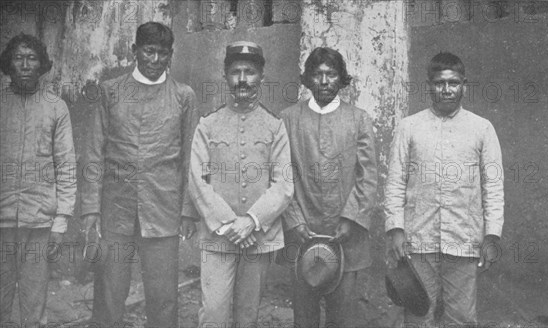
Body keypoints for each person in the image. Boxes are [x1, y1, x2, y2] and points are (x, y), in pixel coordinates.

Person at [80, 22, 200, 328]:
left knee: (163, 297)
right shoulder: (110, 92)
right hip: (115, 208)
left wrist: (187, 209)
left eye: (163, 53)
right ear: (135, 51)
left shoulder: (183, 96)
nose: (155, 60)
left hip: (163, 209)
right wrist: (92, 208)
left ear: (171, 55)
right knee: (109, 292)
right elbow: (94, 153)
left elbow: (190, 158)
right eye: (149, 51)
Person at [384, 52, 504, 327]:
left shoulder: (482, 129)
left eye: (453, 83)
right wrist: (396, 229)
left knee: (461, 318)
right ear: (429, 85)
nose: (447, 89)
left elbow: (494, 186)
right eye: (440, 83)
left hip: (464, 239)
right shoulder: (409, 127)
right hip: (419, 238)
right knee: (417, 314)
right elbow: (395, 182)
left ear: (464, 84)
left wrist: (492, 235)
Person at [186, 41, 294, 328]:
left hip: (258, 238)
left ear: (261, 76)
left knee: (248, 316)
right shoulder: (207, 125)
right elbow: (198, 180)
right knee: (213, 314)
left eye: (250, 72)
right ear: (225, 76)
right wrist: (229, 223)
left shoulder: (274, 126)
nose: (242, 79)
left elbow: (284, 183)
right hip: (218, 238)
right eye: (236, 72)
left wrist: (252, 220)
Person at [279, 47, 378, 328]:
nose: (324, 81)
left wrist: (350, 220)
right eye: (317, 74)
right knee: (304, 317)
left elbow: (367, 176)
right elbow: (281, 175)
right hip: (302, 236)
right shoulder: (288, 119)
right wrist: (295, 221)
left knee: (343, 317)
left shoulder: (359, 119)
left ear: (341, 79)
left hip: (346, 237)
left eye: (331, 74)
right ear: (308, 79)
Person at [0, 33, 77, 327]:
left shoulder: (56, 107)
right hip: (1, 224)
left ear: (42, 65)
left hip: (39, 224)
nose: (25, 65)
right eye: (18, 58)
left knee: (33, 305)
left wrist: (60, 222)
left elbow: (67, 167)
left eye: (32, 58)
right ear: (8, 64)